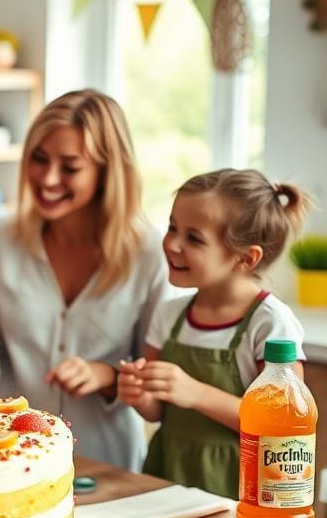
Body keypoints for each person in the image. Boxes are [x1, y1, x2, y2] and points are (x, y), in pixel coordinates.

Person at [0, 89, 170, 470]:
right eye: (39, 159)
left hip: (107, 462)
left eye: (70, 167)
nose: (48, 178)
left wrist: (106, 375)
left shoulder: (149, 252)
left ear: (108, 171)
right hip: (9, 454)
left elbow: (152, 370)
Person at [118, 169, 310, 498]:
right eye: (173, 227)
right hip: (167, 478)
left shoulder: (271, 324)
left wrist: (195, 393)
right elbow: (158, 411)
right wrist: (140, 396)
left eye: (194, 238)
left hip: (239, 490)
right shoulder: (168, 315)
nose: (172, 243)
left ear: (245, 258)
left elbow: (281, 426)